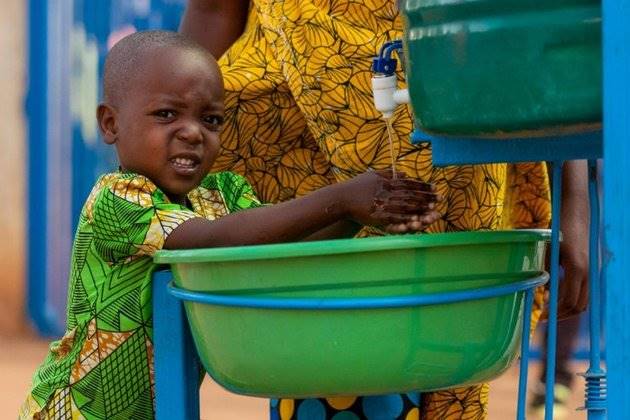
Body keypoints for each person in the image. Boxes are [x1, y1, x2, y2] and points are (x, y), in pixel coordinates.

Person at [180, 1, 590, 419]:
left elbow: (545, 21)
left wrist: (574, 195)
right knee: (329, 338)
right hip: (304, 131)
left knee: (451, 352)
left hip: (461, 100)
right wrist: (154, 184)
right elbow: (214, 10)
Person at [19, 30, 442, 419]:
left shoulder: (222, 193)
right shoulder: (116, 198)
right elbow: (207, 240)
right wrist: (339, 198)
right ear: (111, 124)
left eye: (211, 120)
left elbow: (281, 252)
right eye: (167, 114)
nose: (193, 133)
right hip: (72, 410)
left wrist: (355, 215)